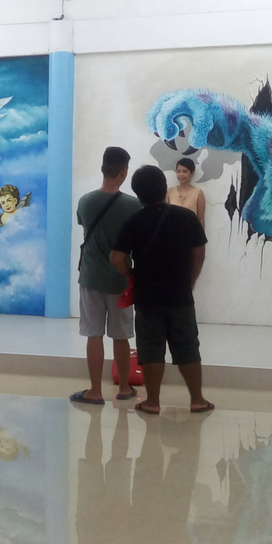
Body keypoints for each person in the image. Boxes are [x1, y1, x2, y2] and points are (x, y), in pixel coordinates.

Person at [111, 165, 213, 415]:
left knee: (151, 349)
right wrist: (190, 280)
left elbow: (116, 258)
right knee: (188, 347)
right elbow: (199, 253)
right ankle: (197, 400)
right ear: (163, 188)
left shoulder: (134, 221)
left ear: (138, 194)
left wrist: (131, 274)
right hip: (180, 294)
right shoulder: (186, 218)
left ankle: (152, 402)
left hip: (148, 296)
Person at [70, 146, 142, 405]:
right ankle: (123, 387)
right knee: (121, 336)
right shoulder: (133, 206)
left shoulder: (86, 202)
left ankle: (95, 391)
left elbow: (84, 225)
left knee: (94, 334)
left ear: (102, 168)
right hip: (121, 279)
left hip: (91, 277)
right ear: (124, 172)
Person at [166, 157, 206, 228]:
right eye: (178, 171)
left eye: (185, 171)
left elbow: (200, 218)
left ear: (192, 173)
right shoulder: (170, 192)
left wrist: (201, 234)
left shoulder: (198, 193)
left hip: (191, 232)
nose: (181, 174)